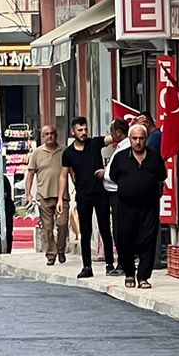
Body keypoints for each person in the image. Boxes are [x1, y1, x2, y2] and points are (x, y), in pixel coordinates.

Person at [107, 119, 167, 290]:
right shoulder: (120, 158)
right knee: (125, 240)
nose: (137, 142)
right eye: (134, 138)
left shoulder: (154, 158)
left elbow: (161, 177)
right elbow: (113, 176)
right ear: (130, 139)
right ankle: (129, 273)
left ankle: (143, 277)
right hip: (126, 207)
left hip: (149, 207)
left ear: (145, 139)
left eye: (141, 138)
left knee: (148, 240)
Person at [62, 119, 111, 279]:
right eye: (79, 130)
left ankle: (110, 264)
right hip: (83, 196)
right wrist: (60, 199)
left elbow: (115, 136)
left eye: (85, 129)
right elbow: (63, 176)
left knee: (105, 228)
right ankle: (87, 267)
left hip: (100, 193)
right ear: (73, 132)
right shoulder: (68, 153)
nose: (83, 132)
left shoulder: (95, 143)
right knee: (85, 231)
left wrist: (127, 126)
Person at [26, 124, 68, 265]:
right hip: (44, 196)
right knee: (47, 228)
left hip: (62, 196)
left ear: (56, 134)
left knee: (62, 224)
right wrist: (28, 194)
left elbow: (72, 172)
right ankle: (51, 254)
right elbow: (30, 174)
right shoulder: (37, 153)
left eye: (52, 133)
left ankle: (61, 249)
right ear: (42, 136)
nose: (50, 136)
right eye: (47, 134)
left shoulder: (64, 151)